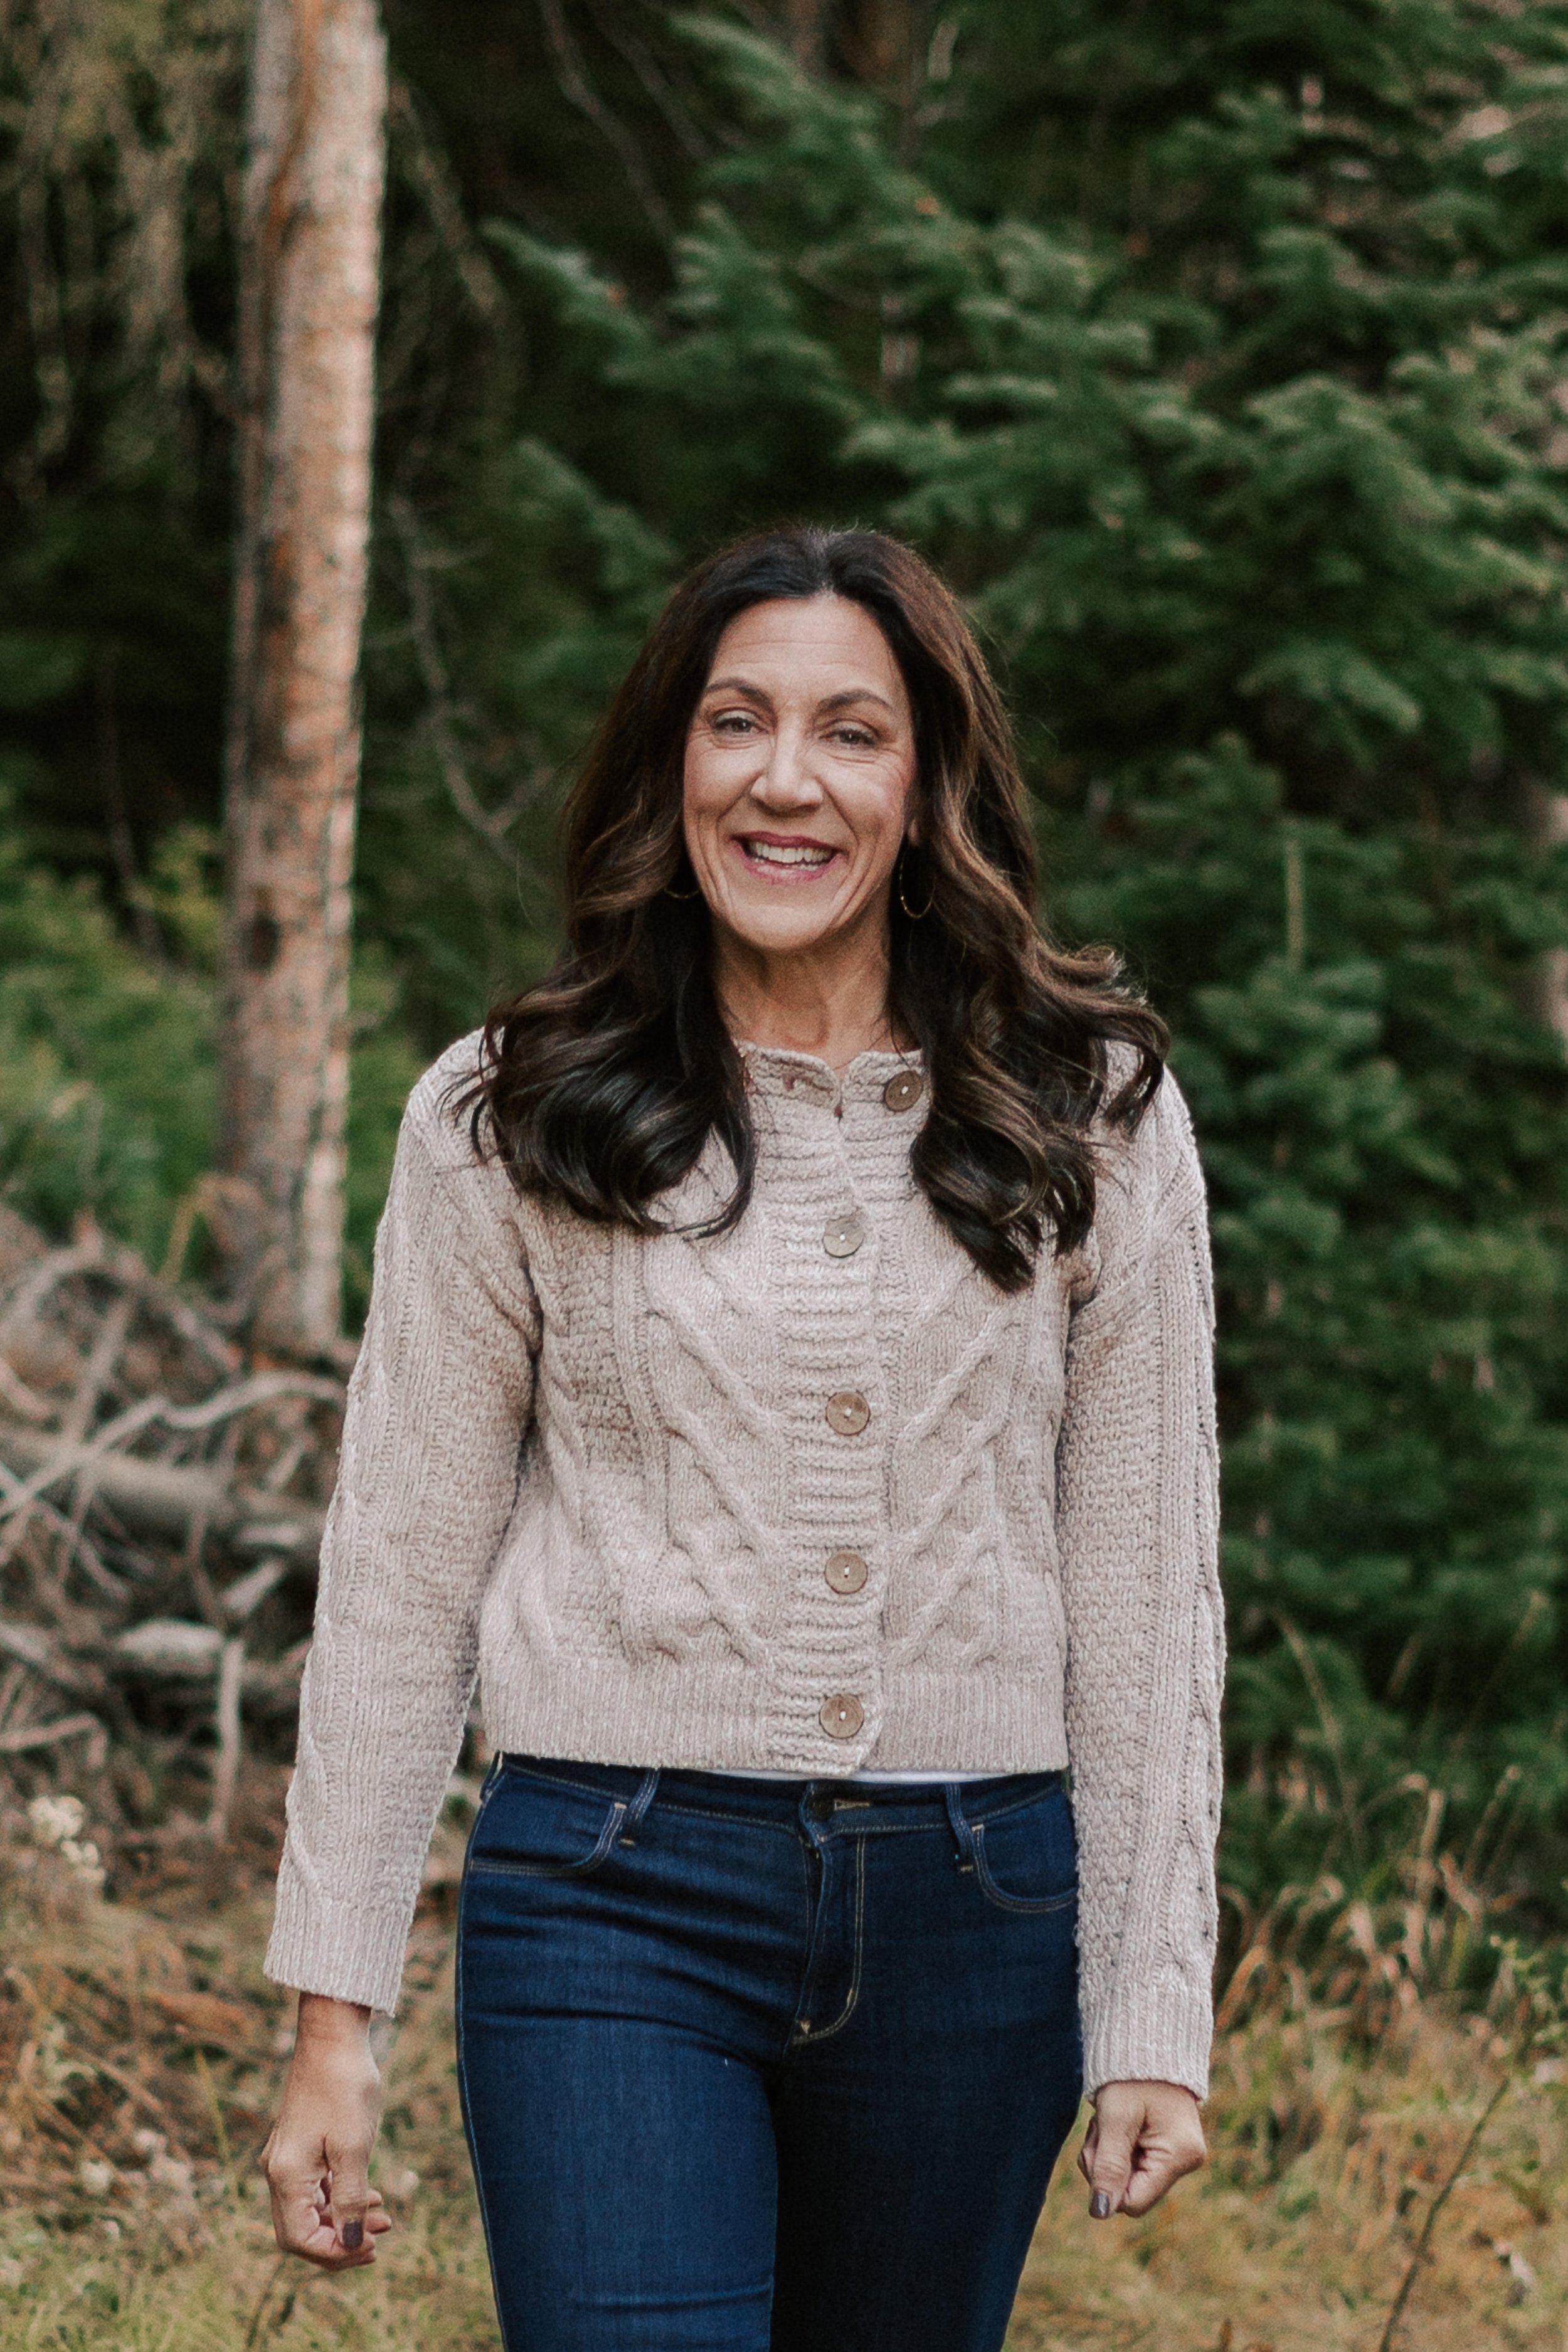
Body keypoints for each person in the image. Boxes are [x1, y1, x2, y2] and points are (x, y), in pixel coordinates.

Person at [261, 526, 1224, 2352]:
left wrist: (1150, 2010)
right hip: (609, 1903)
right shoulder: (507, 1114)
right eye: (736, 722)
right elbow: (398, 1574)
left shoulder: (1091, 1112)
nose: (785, 780)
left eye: (851, 732)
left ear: (930, 782)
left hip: (980, 1910)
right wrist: (334, 2018)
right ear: (670, 762)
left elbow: (1145, 1583)